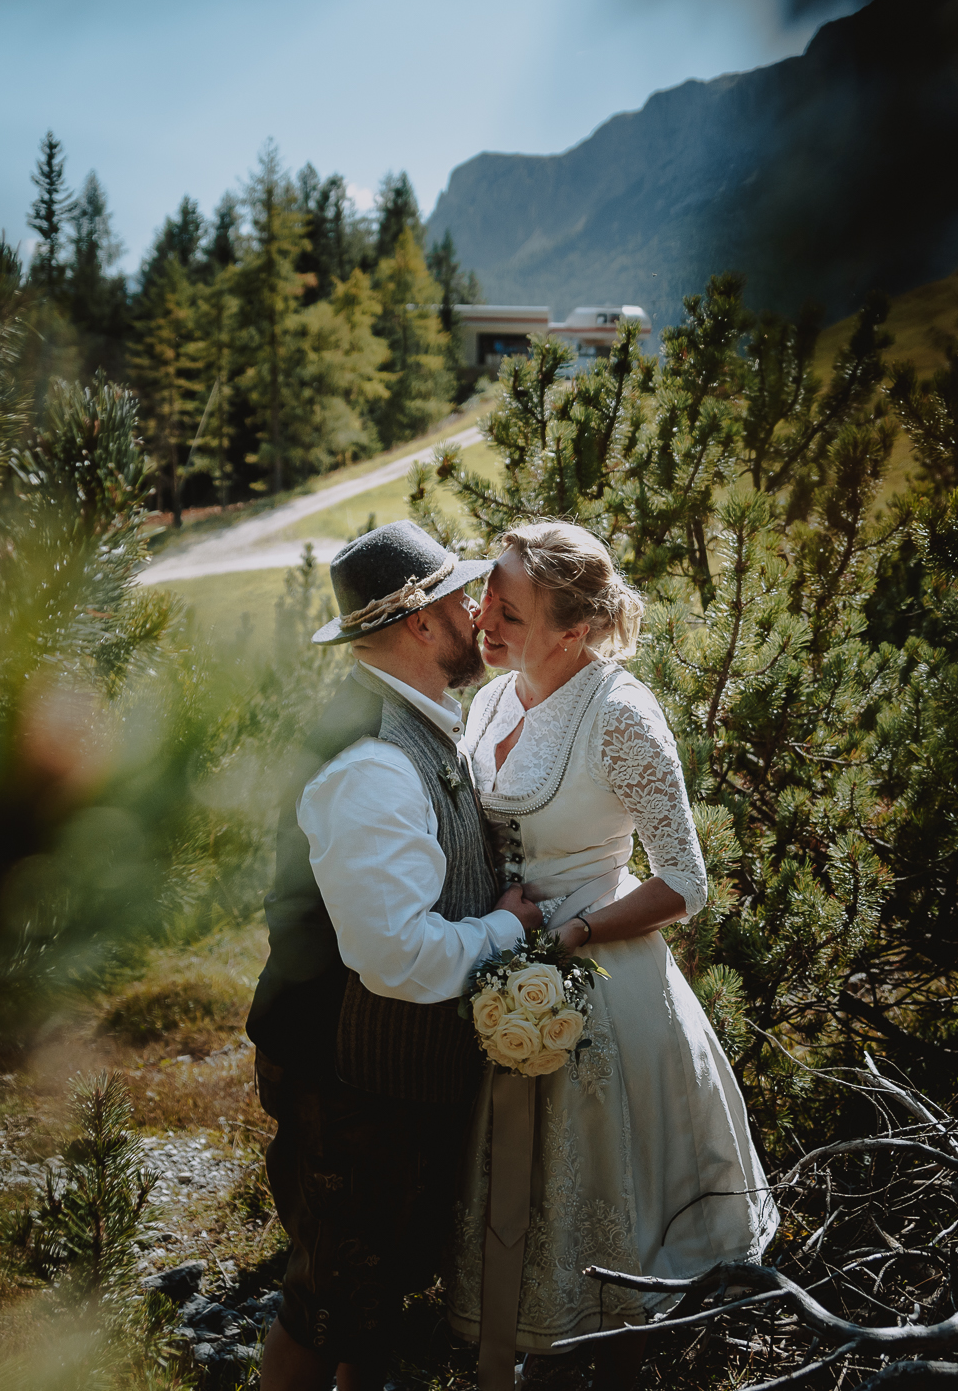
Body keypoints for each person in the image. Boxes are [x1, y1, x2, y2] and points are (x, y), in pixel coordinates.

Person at [450, 521, 777, 1388]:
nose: (483, 619)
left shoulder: (622, 715)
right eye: (488, 594)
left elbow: (685, 883)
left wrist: (572, 936)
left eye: (509, 611)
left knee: (608, 1230)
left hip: (603, 989)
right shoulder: (492, 700)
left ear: (576, 630)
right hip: (499, 976)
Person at [247, 519, 544, 1391]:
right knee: (327, 1303)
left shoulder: (423, 724)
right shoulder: (372, 763)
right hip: (347, 1085)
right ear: (421, 623)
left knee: (376, 1303)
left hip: (393, 1079)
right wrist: (506, 929)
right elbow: (397, 958)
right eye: (462, 598)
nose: (480, 610)